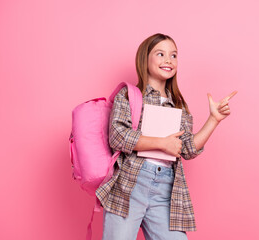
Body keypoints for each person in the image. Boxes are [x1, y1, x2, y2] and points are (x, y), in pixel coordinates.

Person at [96, 33, 237, 240]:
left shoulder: (178, 104)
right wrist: (162, 144)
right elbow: (118, 136)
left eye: (173, 55)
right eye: (160, 54)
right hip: (130, 185)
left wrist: (214, 119)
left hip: (166, 188)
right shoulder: (129, 95)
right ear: (145, 59)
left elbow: (188, 149)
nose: (168, 60)